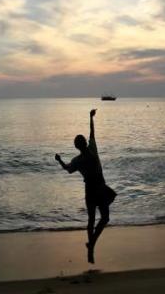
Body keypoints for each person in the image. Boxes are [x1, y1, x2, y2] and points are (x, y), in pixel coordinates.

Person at [55, 109, 116, 264]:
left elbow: (67, 169)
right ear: (85, 143)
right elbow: (92, 133)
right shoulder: (93, 150)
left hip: (90, 190)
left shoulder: (78, 160)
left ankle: (91, 249)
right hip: (100, 188)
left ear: (77, 146)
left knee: (91, 220)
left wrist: (59, 160)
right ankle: (93, 242)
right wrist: (91, 118)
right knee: (105, 218)